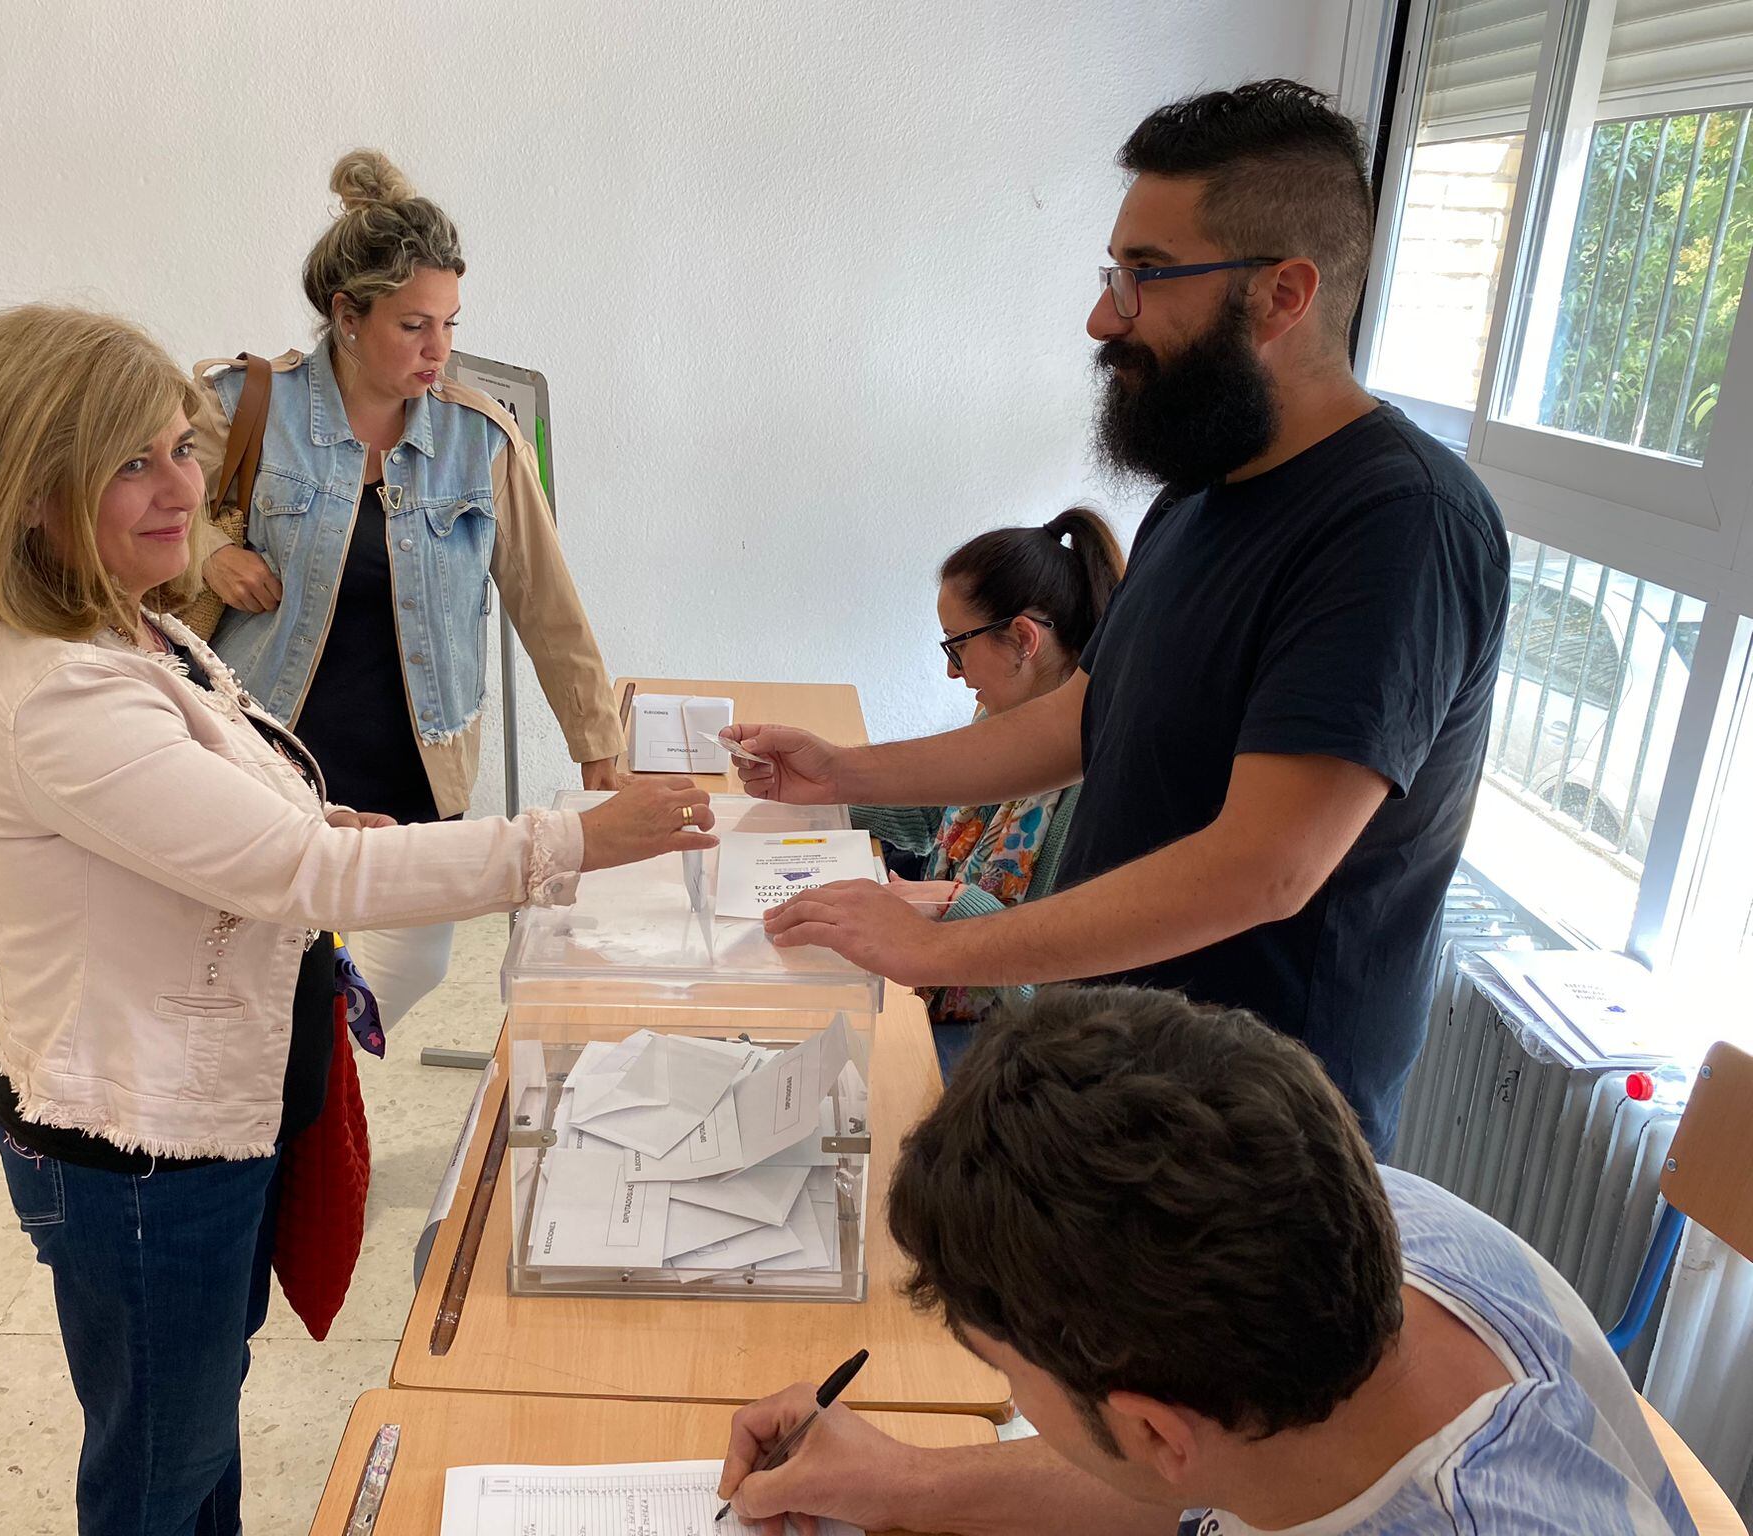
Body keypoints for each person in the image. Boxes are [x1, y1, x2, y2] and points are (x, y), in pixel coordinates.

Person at [0, 303, 714, 1536]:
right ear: (27, 491)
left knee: (197, 1426)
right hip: (137, 1142)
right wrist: (570, 841)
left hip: (202, 1110)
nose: (183, 486)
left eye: (181, 445)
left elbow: (253, 805)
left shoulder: (140, 628)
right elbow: (298, 876)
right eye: (130, 463)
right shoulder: (58, 693)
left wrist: (335, 826)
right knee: (156, 1472)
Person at [730, 80, 1510, 1151]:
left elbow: (1265, 867)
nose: (1104, 317)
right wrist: (848, 774)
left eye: (1146, 276)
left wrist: (937, 949)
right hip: (1117, 1065)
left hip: (1246, 1141)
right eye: (1114, 273)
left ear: (1281, 295)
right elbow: (1085, 722)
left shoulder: (1399, 525)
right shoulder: (1199, 492)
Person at [718, 987, 1696, 1536]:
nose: (1013, 1395)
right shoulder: (1359, 1218)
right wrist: (910, 1485)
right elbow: (1196, 1475)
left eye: (1010, 1379)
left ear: (1150, 1427)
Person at [191, 148, 628, 1040]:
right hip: (265, 743)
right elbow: (140, 516)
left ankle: (318, 1089)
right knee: (264, 966)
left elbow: (549, 607)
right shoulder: (241, 407)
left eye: (451, 325)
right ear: (346, 317)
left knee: (411, 961)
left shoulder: (481, 441)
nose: (441, 351)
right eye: (415, 326)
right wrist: (206, 554)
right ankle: (300, 1128)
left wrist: (599, 748)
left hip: (417, 751)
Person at [851, 507, 1122, 1075]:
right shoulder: (995, 718)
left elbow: (1060, 992)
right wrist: (826, 790)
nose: (954, 672)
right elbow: (932, 816)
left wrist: (954, 906)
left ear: (1023, 638)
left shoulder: (1100, 783)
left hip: (1008, 1048)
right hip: (940, 986)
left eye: (958, 646)